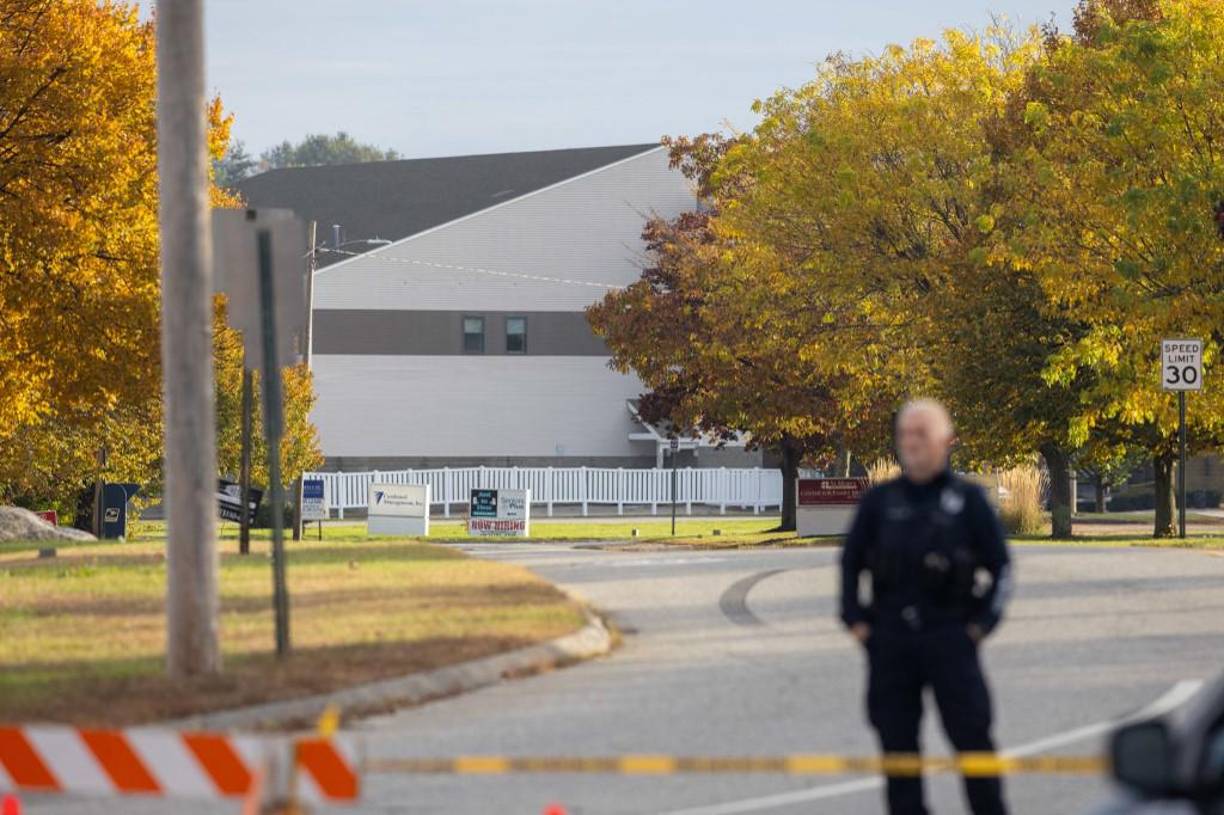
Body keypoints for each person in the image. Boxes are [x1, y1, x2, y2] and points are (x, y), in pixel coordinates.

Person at [840, 399, 1012, 815]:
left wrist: (982, 625)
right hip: (891, 641)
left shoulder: (967, 501)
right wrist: (857, 621)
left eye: (922, 434)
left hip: (951, 636)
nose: (912, 443)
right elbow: (850, 564)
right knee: (898, 751)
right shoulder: (880, 503)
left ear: (944, 441)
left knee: (973, 741)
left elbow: (1001, 568)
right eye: (905, 434)